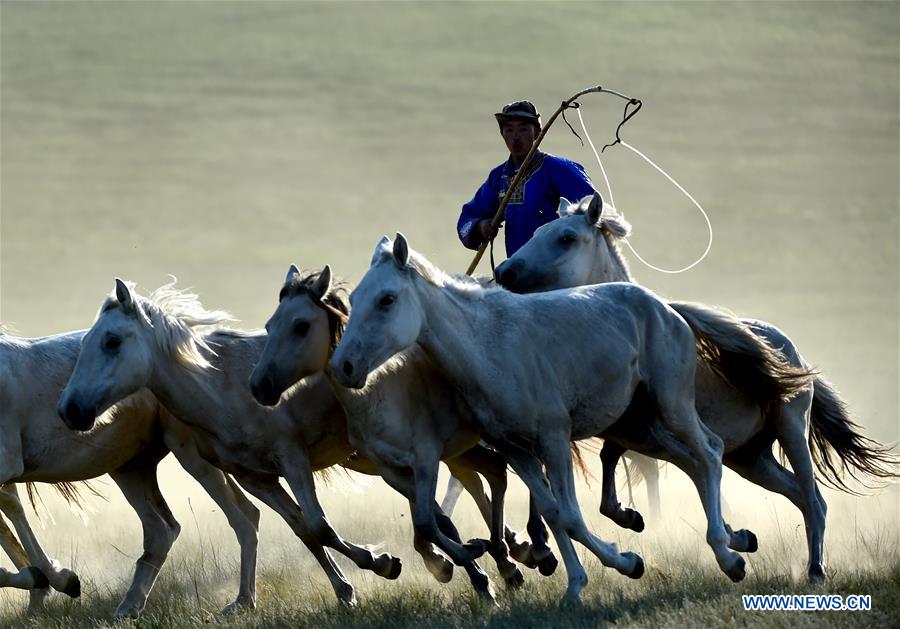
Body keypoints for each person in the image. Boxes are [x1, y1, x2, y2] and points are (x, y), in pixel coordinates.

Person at [457, 100, 597, 258]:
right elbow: (468, 217)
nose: (515, 137)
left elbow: (594, 211)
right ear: (502, 134)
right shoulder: (498, 177)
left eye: (523, 129)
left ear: (537, 133)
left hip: (556, 269)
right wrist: (481, 226)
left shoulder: (558, 169)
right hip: (517, 271)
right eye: (509, 130)